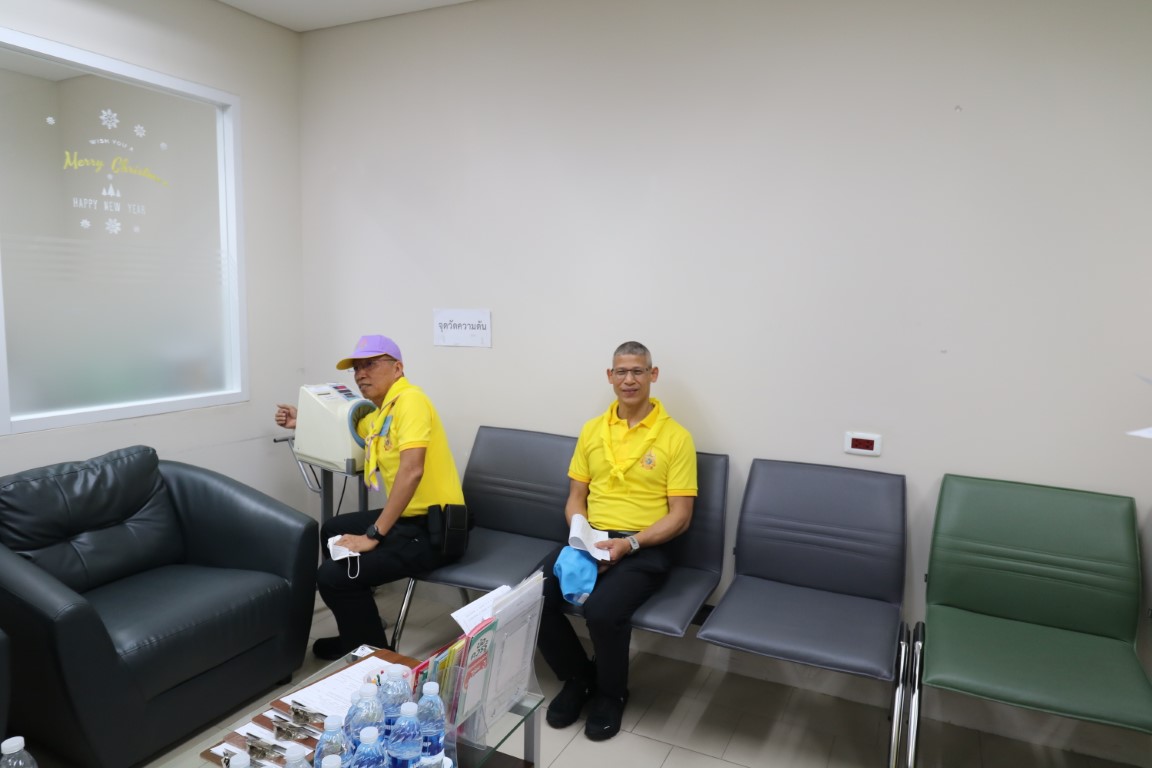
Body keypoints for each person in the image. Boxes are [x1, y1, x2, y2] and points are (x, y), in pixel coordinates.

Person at [536, 341, 697, 741]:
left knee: (603, 612)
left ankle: (611, 694)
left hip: (645, 545)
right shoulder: (592, 430)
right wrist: (582, 536)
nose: (629, 380)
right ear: (610, 376)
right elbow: (576, 497)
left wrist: (630, 545)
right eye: (621, 372)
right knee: (534, 596)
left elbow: (680, 516)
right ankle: (579, 679)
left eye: (638, 371)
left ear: (652, 375)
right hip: (590, 538)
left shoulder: (676, 437)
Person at [275, 334, 464, 660]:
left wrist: (374, 534)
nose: (361, 374)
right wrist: (300, 421)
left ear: (397, 368)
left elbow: (412, 471)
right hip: (411, 521)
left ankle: (378, 658)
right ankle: (358, 633)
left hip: (438, 530)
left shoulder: (411, 401)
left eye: (371, 365)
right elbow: (351, 428)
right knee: (332, 528)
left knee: (331, 577)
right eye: (357, 368)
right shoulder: (382, 415)